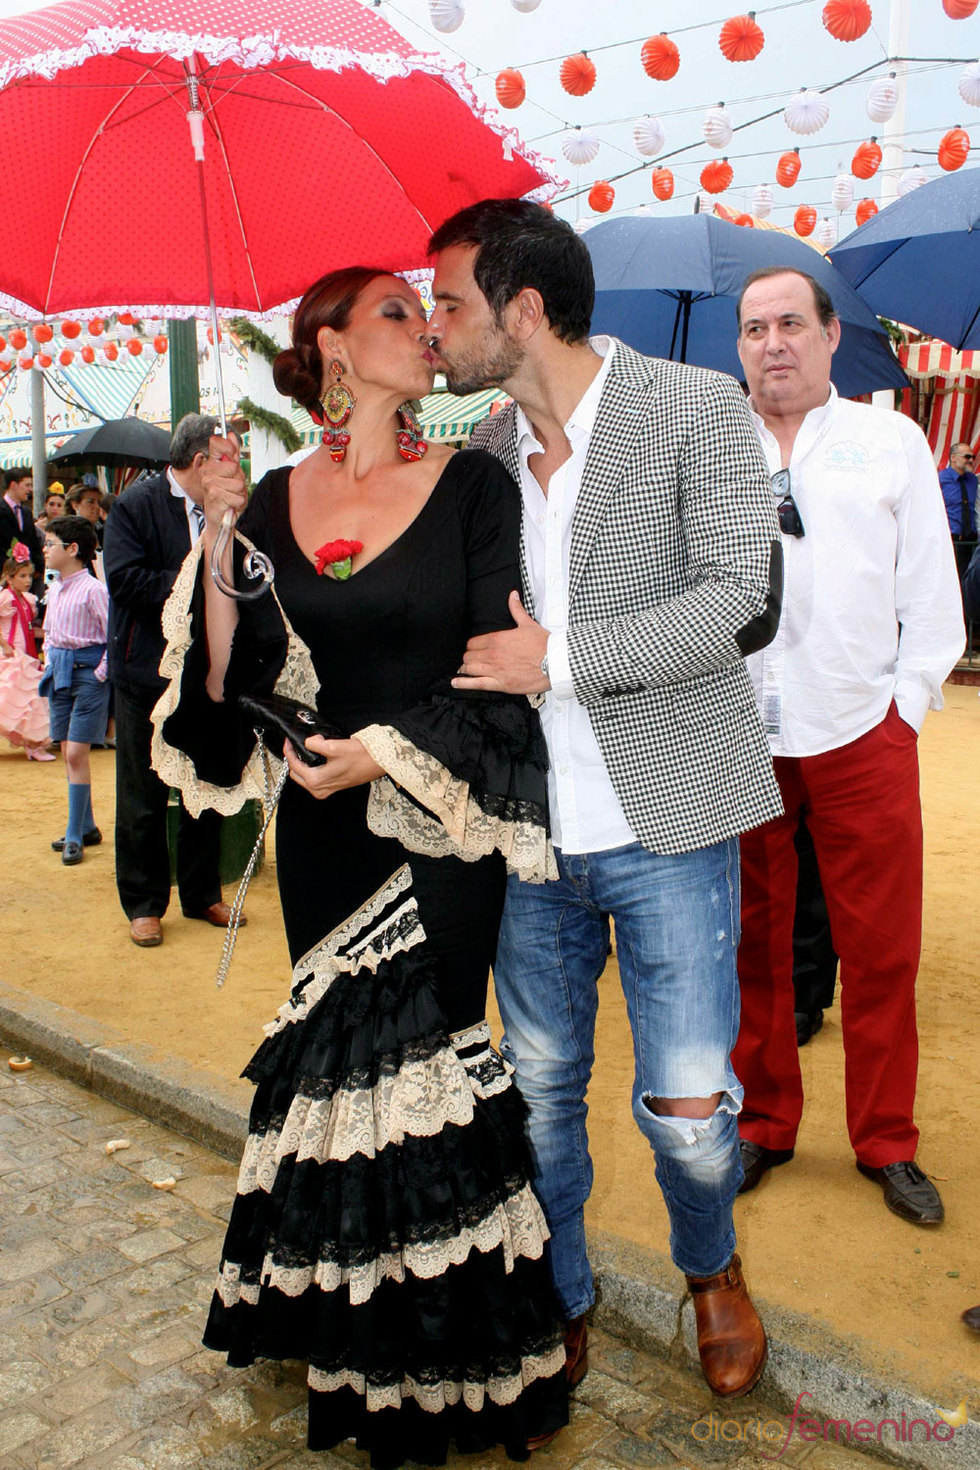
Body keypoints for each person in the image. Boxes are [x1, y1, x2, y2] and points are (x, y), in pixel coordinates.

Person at [149, 267, 569, 1466]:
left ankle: (453, 1359)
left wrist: (384, 751)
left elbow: (497, 664)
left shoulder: (475, 484)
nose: (423, 329)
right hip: (326, 828)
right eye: (396, 310)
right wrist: (222, 530)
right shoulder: (273, 497)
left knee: (423, 1075)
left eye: (424, 311)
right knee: (339, 1088)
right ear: (332, 346)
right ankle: (361, 1340)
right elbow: (234, 679)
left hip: (440, 821)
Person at [426, 198, 784, 1402]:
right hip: (528, 841)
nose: (436, 331)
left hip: (669, 822)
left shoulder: (694, 407)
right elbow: (375, 469)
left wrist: (561, 661)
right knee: (537, 1102)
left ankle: (708, 1266)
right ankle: (560, 1297)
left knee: (688, 1109)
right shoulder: (477, 454)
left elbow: (738, 591)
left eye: (449, 306)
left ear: (521, 311)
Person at [731, 266, 965, 1224]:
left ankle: (886, 1140)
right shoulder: (713, 448)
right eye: (754, 328)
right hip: (740, 733)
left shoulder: (891, 442)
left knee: (881, 952)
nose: (773, 342)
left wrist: (905, 705)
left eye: (792, 323)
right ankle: (763, 1124)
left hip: (863, 731)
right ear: (737, 346)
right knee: (755, 946)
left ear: (831, 337)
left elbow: (930, 591)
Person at [103, 416, 242, 948]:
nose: (234, 465)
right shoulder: (135, 506)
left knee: (202, 785)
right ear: (200, 461)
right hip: (146, 674)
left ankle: (202, 891)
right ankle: (143, 903)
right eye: (225, 456)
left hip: (206, 672)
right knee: (142, 792)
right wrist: (197, 578)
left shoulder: (228, 511)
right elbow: (125, 581)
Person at [39, 516, 110, 863]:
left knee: (75, 754)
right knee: (68, 749)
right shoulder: (55, 588)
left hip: (88, 675)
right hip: (61, 673)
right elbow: (50, 631)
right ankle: (87, 826)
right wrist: (50, 660)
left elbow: (113, 632)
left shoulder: (94, 589)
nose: (45, 550)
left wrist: (100, 673)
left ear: (72, 549)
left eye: (51, 543)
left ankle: (73, 834)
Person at [0, 544, 53, 760]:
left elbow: (29, 627)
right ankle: (33, 744)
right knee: (15, 698)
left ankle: (33, 744)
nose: (28, 580)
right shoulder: (6, 597)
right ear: (10, 578)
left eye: (29, 576)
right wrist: (5, 646)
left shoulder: (26, 600)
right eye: (22, 576)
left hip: (26, 653)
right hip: (12, 654)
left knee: (29, 699)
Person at [938, 442, 977, 589]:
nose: (971, 460)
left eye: (972, 457)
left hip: (969, 541)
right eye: (967, 456)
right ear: (953, 458)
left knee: (968, 585)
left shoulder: (972, 480)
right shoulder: (941, 479)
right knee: (949, 584)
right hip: (950, 540)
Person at [0, 469, 43, 579]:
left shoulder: (27, 512)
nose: (30, 489)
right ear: (13, 485)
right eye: (27, 485)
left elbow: (33, 543)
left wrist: (38, 568)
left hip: (27, 577)